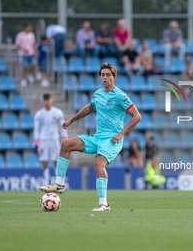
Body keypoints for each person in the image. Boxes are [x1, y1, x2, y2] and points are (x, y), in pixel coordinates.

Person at [39, 63, 141, 211]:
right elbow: (88, 108)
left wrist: (121, 134)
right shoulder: (98, 94)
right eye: (102, 75)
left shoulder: (120, 95)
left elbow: (137, 116)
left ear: (114, 77)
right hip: (98, 137)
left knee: (98, 164)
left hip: (112, 140)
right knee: (66, 145)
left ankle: (104, 204)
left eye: (108, 75)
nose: (105, 78)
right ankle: (59, 184)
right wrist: (71, 121)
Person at [34, 93, 68, 186]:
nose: (47, 102)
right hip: (43, 140)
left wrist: (64, 138)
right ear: (43, 101)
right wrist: (36, 142)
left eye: (48, 100)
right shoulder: (39, 114)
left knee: (57, 161)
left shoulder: (57, 113)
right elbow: (36, 129)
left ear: (51, 100)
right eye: (45, 100)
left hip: (54, 140)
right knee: (44, 162)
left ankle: (58, 183)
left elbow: (62, 127)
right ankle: (45, 183)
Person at [16, 23, 38, 87]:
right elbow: (17, 45)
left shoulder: (32, 35)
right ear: (25, 28)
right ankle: (23, 79)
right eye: (28, 27)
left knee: (34, 64)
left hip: (31, 53)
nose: (30, 29)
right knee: (24, 66)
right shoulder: (20, 35)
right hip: (23, 54)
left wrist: (35, 52)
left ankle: (30, 74)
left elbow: (33, 44)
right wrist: (24, 49)